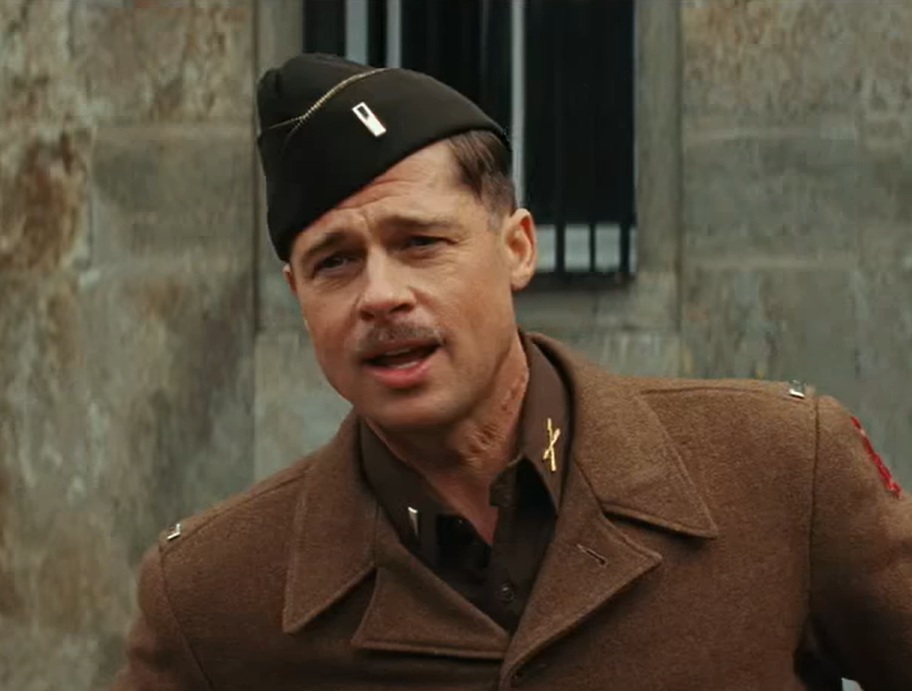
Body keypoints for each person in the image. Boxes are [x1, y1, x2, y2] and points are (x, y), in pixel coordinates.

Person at [113, 53, 912, 691]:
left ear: (518, 248)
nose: (380, 295)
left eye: (421, 243)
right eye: (335, 262)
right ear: (299, 296)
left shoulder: (779, 470)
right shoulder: (214, 597)